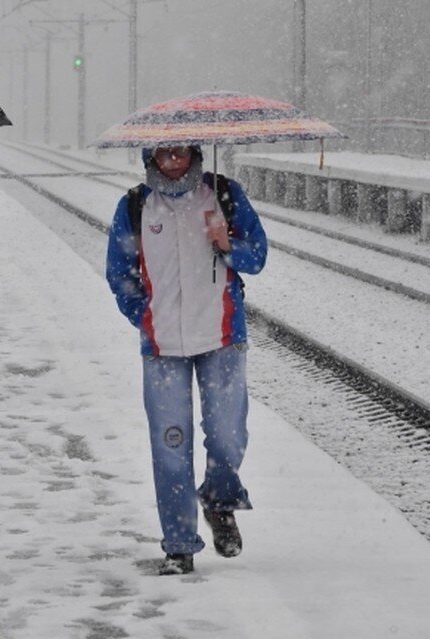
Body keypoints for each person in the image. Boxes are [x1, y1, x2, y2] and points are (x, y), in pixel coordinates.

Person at [105, 144, 267, 576]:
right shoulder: (136, 205)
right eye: (164, 154)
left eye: (181, 152)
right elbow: (119, 273)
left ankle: (218, 499)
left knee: (228, 435)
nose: (174, 161)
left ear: (196, 152)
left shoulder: (225, 195)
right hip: (162, 349)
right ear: (150, 158)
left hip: (221, 338)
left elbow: (259, 256)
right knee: (171, 447)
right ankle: (179, 543)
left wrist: (227, 243)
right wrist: (144, 315)